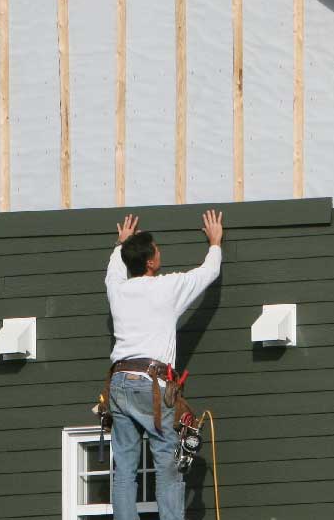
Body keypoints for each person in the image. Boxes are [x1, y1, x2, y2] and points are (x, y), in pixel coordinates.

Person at [104, 209, 224, 520]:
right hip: (151, 383)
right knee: (167, 463)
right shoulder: (166, 288)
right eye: (156, 250)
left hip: (118, 382)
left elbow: (113, 271)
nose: (160, 253)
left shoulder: (118, 290)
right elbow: (206, 273)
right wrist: (215, 242)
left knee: (125, 468)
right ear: (149, 263)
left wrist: (122, 244)